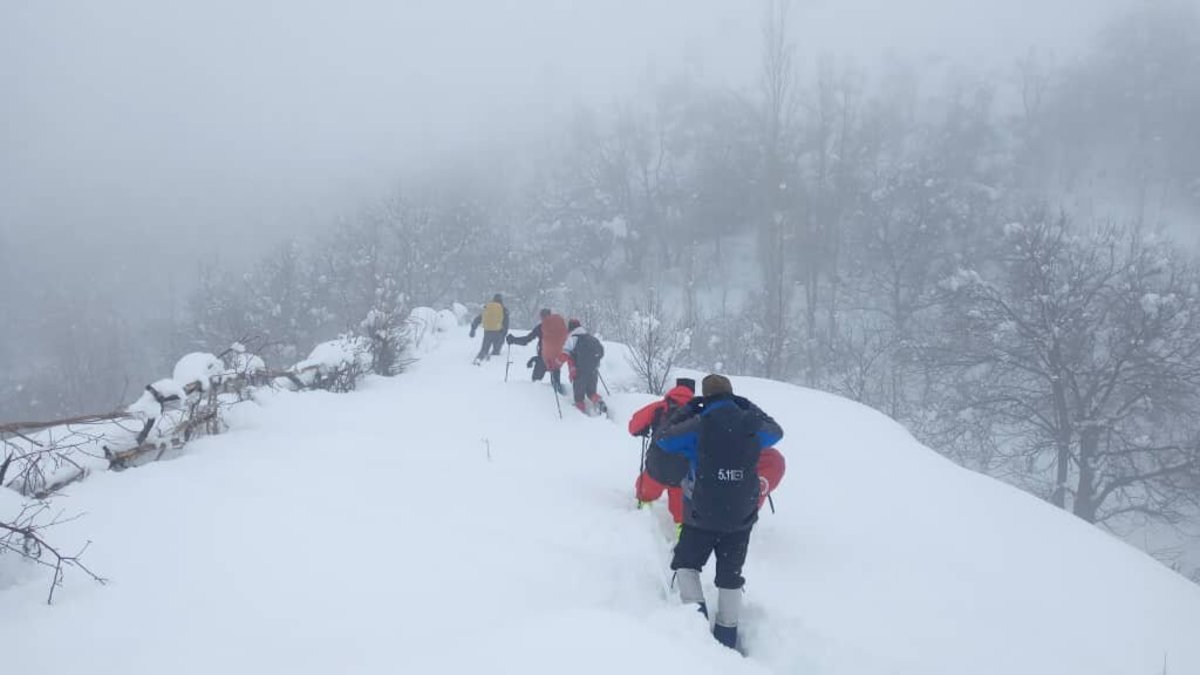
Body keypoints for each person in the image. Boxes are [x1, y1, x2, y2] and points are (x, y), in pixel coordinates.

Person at [656, 374, 784, 651]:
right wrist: (747, 405)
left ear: (707, 397)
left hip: (701, 515)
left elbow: (664, 439)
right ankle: (727, 639)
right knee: (730, 575)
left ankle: (696, 627)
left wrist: (688, 409)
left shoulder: (699, 425)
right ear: (731, 395)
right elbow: (776, 432)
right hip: (741, 518)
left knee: (686, 564)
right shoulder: (751, 425)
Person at [630, 378, 786, 539]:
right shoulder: (701, 415)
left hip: (657, 466)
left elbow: (634, 426)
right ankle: (681, 529)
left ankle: (643, 507)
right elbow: (774, 432)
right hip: (685, 471)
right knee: (680, 500)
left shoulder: (659, 407)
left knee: (648, 485)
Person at [505, 308, 566, 394]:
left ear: (542, 317)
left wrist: (513, 340)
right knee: (556, 385)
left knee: (535, 384)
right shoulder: (559, 328)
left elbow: (526, 340)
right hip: (557, 359)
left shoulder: (541, 327)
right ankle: (563, 402)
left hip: (543, 360)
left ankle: (536, 401)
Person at [561, 319, 606, 416]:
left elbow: (565, 354)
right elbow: (601, 353)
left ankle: (581, 416)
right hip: (593, 371)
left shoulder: (572, 338)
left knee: (579, 397)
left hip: (579, 372)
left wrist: (555, 363)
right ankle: (599, 403)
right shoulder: (592, 338)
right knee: (591, 393)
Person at [469, 294, 509, 364]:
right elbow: (506, 323)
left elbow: (479, 318)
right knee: (496, 351)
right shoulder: (503, 309)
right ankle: (490, 366)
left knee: (484, 349)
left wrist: (473, 328)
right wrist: (504, 335)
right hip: (498, 332)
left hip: (488, 331)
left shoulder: (488, 307)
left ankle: (479, 359)